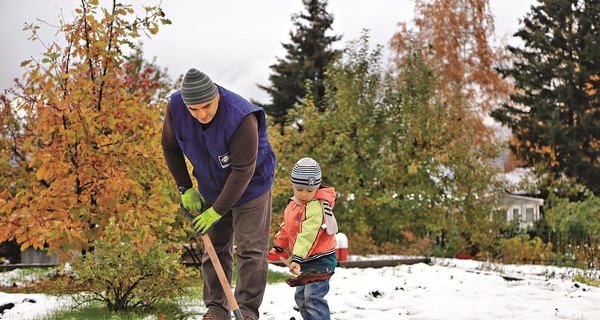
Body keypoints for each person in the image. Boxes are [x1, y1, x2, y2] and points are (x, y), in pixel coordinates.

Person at [161, 68, 276, 320]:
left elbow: (243, 170)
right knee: (215, 247)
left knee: (250, 250)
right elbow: (170, 147)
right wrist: (185, 187)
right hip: (210, 185)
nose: (201, 114)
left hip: (252, 185)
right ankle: (216, 308)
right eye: (194, 109)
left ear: (217, 96)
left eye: (207, 106)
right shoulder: (176, 107)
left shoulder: (241, 116)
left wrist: (217, 210)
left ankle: (246, 311)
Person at [267, 157, 338, 320]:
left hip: (320, 261)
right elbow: (287, 227)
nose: (304, 194)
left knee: (312, 298)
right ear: (292, 185)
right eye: (299, 189)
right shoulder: (294, 204)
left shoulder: (318, 208)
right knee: (301, 299)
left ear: (317, 187)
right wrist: (279, 246)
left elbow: (308, 236)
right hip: (304, 260)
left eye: (309, 190)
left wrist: (297, 258)